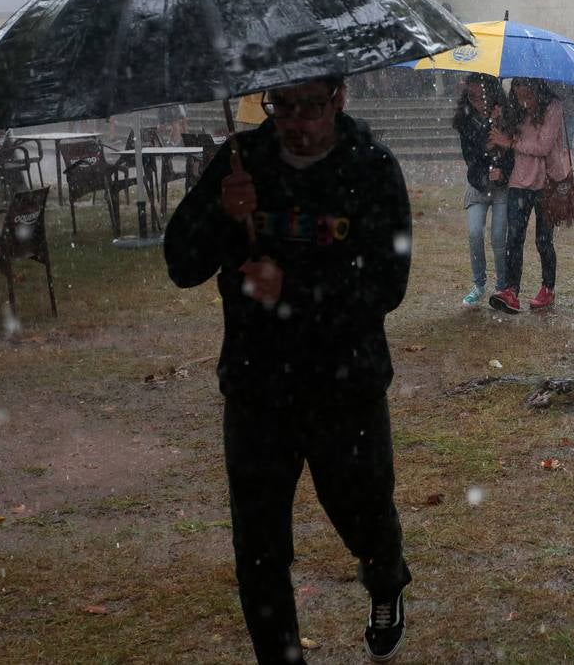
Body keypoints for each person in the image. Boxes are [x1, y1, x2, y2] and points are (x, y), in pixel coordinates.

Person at [163, 77, 412, 664]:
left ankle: (385, 580)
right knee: (258, 548)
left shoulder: (373, 169)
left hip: (345, 384)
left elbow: (387, 284)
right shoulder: (240, 161)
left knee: (365, 515)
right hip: (257, 385)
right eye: (283, 107)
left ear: (340, 98)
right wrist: (224, 216)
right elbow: (181, 263)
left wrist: (293, 288)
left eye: (311, 108)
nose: (295, 122)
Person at [487, 77, 569, 313]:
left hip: (547, 182)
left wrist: (510, 142)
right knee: (514, 238)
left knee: (543, 240)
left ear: (535, 84)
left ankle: (548, 288)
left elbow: (543, 147)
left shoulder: (553, 107)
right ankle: (511, 291)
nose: (520, 89)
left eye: (523, 84)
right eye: (516, 85)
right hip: (519, 181)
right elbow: (498, 142)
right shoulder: (513, 107)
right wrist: (496, 121)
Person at [453, 73, 513, 307]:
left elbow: (513, 152)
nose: (476, 101)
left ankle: (501, 286)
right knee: (474, 232)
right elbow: (471, 155)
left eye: (480, 96)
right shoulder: (465, 119)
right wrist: (487, 129)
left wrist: (503, 173)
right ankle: (478, 284)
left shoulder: (507, 117)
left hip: (501, 187)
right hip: (478, 184)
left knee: (499, 237)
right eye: (471, 96)